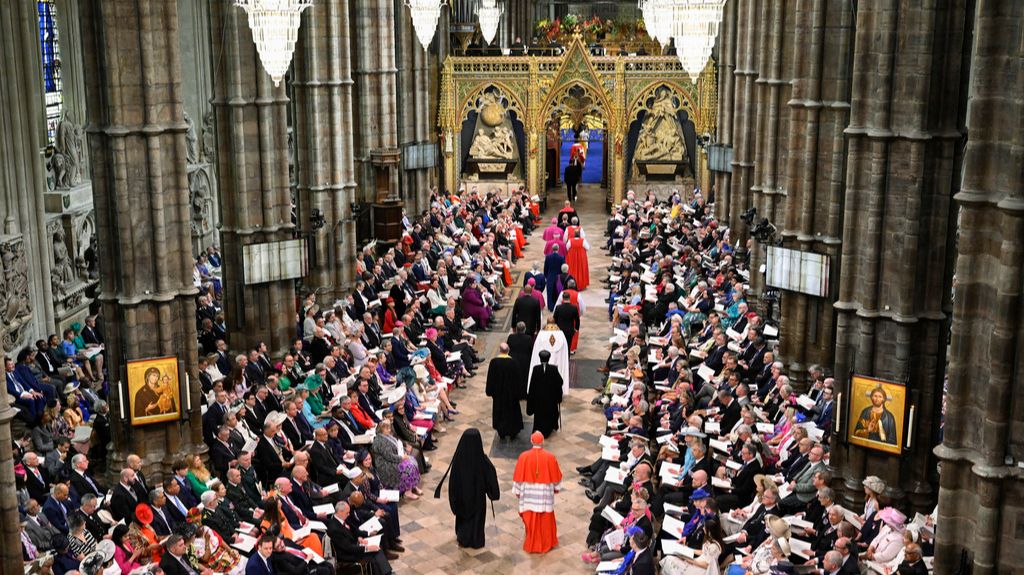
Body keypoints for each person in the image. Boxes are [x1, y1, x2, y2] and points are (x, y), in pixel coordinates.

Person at [434, 428, 500, 548]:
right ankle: (476, 541)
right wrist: (492, 493)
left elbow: (453, 483)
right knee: (477, 520)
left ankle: (463, 538)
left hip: (462, 500)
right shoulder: (482, 460)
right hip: (478, 500)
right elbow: (491, 479)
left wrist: (454, 501)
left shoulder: (458, 460)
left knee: (464, 520)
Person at [512, 431, 563, 553]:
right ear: (542, 442)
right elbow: (556, 479)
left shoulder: (523, 457)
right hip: (544, 496)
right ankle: (546, 543)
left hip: (529, 496)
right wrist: (556, 489)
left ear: (531, 441)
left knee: (531, 520)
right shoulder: (550, 457)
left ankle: (532, 543)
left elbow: (518, 478)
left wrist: (518, 491)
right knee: (545, 522)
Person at [485, 344, 524, 440]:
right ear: (508, 350)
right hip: (512, 394)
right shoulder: (514, 362)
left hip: (498, 394)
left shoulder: (494, 362)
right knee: (512, 413)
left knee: (499, 412)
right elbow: (518, 380)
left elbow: (490, 378)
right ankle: (513, 432)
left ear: (500, 350)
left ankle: (501, 432)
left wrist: (490, 391)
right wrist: (519, 393)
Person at [528, 318, 570, 396]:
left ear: (547, 323)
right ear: (554, 323)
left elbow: (537, 347)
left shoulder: (541, 334)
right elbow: (564, 349)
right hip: (557, 362)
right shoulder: (561, 334)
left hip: (543, 363)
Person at [526, 350, 564, 437]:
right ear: (548, 358)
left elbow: (532, 384)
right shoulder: (553, 369)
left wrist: (531, 397)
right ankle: (549, 429)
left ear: (540, 358)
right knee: (550, 413)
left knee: (539, 415)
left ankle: (539, 429)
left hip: (539, 398)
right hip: (550, 398)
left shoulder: (536, 369)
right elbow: (560, 382)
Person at [543, 246, 565, 312]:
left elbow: (545, 268)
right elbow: (562, 268)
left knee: (549, 292)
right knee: (558, 292)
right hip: (558, 277)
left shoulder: (548, 257)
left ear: (552, 249)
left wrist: (546, 276)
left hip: (550, 277)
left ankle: (550, 307)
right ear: (558, 249)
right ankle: (557, 306)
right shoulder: (561, 257)